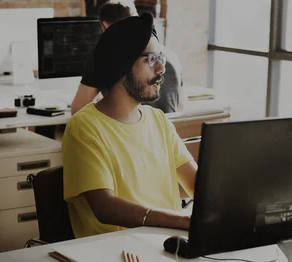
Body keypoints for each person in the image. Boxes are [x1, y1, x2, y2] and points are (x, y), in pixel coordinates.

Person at [62, 13, 197, 238]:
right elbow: (105, 206)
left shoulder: (158, 121)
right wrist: (182, 221)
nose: (162, 68)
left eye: (161, 57)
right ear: (122, 63)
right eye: (151, 59)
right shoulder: (84, 127)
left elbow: (195, 183)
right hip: (117, 250)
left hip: (167, 245)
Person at [71, 1, 186, 115]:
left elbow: (78, 109)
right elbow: (181, 106)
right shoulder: (171, 54)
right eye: (152, 59)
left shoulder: (105, 55)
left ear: (105, 25)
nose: (161, 68)